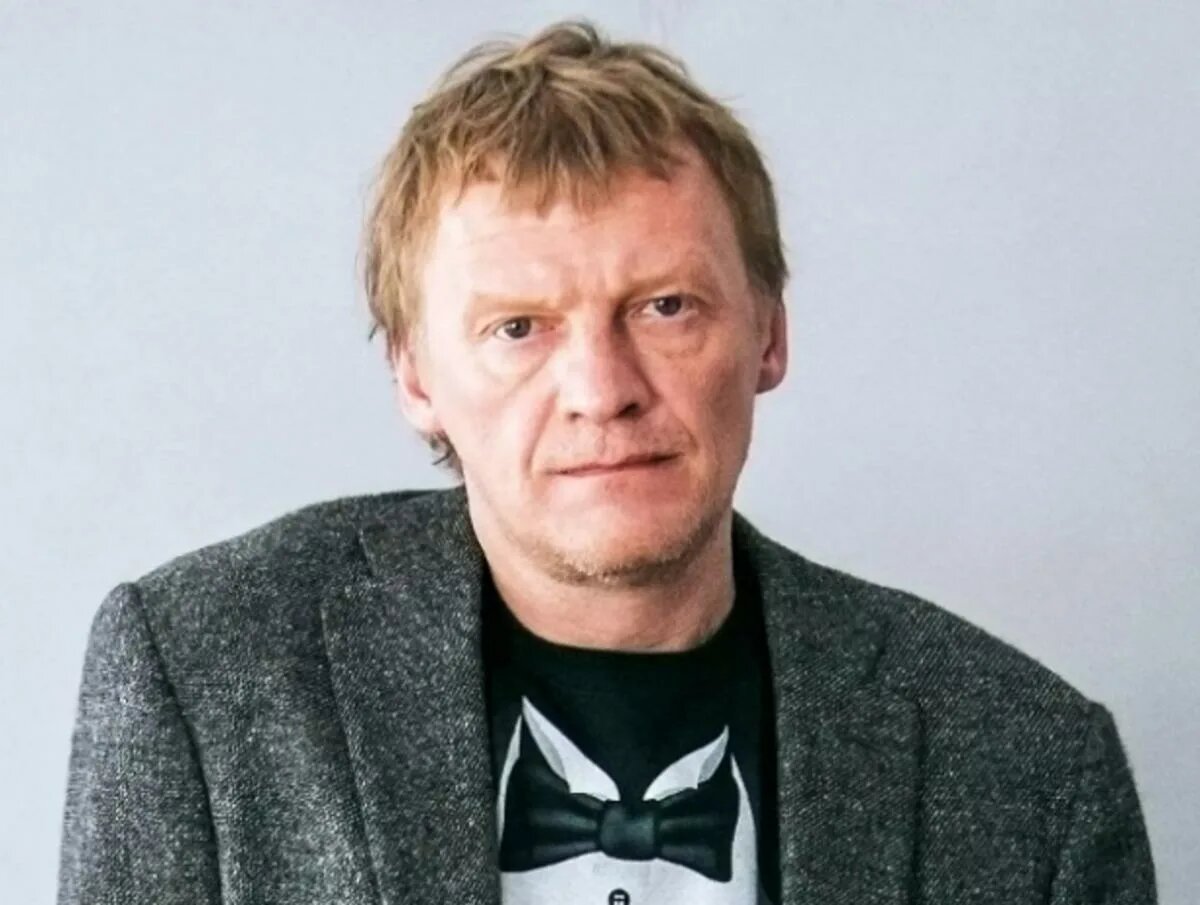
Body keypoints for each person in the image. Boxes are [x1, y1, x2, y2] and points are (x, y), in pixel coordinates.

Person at [57, 18, 1156, 905]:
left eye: (666, 306)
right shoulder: (201, 676)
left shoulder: (1031, 767)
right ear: (416, 376)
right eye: (518, 327)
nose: (602, 388)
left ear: (769, 333)